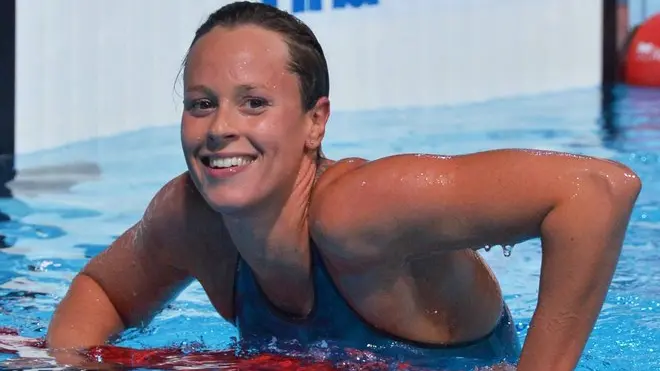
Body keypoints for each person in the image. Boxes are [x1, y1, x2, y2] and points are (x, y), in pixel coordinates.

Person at [46, 2, 642, 371]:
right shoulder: (191, 218)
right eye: (201, 105)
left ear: (315, 121)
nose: (221, 128)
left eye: (254, 104)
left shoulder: (360, 211)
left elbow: (596, 190)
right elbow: (102, 291)